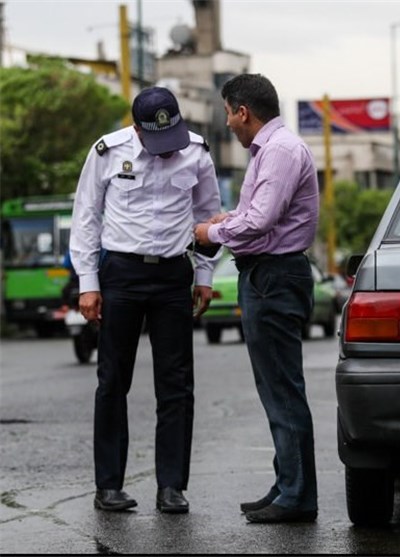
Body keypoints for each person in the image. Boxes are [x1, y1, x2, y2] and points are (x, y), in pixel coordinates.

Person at [70, 86, 221, 514]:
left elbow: (208, 217)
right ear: (135, 128)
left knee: (176, 385)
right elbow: (86, 217)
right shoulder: (106, 153)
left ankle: (172, 486)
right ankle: (109, 486)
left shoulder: (196, 152)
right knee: (113, 381)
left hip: (174, 275)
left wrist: (205, 276)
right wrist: (88, 282)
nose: (164, 151)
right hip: (121, 274)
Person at [194, 73, 319, 524]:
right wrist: (231, 218)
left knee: (283, 390)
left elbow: (261, 221)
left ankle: (298, 494)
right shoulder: (269, 151)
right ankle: (288, 483)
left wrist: (211, 231)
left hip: (274, 276)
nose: (227, 122)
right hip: (266, 275)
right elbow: (256, 215)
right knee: (275, 389)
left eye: (228, 112)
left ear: (243, 111)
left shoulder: (280, 151)